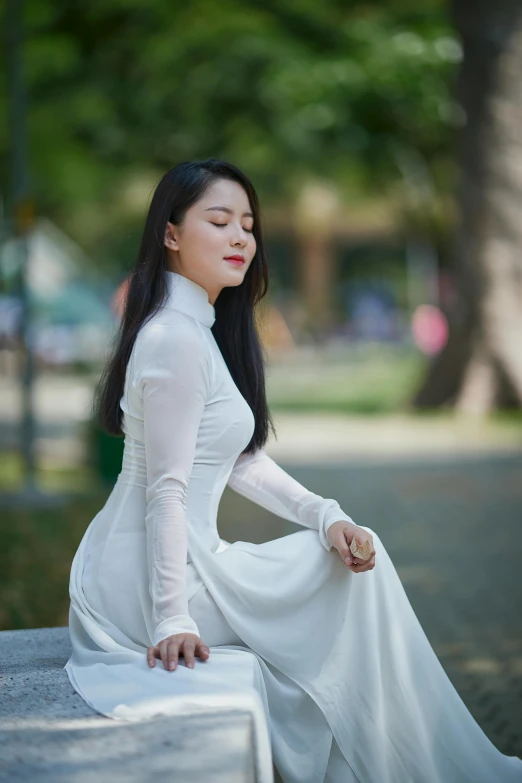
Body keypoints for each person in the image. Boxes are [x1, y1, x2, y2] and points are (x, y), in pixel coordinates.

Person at [65, 158, 522, 783]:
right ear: (170, 235)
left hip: (180, 559)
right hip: (145, 578)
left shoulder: (197, 327)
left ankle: (409, 762)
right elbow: (167, 491)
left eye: (248, 226)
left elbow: (238, 459)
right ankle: (427, 767)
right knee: (351, 582)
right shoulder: (174, 337)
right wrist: (173, 617)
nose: (240, 239)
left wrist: (325, 515)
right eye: (219, 221)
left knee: (352, 561)